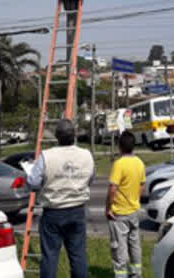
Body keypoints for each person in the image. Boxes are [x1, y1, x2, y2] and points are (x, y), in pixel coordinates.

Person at [27, 119, 95, 278]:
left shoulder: (47, 156)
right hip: (77, 210)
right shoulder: (86, 155)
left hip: (53, 211)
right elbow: (90, 179)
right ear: (75, 135)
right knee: (78, 255)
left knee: (50, 257)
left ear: (57, 136)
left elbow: (33, 183)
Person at [105, 131, 146, 278]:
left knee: (119, 248)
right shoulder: (139, 162)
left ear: (119, 147)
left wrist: (108, 208)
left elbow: (112, 189)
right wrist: (135, 199)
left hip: (119, 213)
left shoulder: (119, 164)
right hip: (134, 211)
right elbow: (142, 185)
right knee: (134, 245)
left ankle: (121, 275)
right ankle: (136, 273)